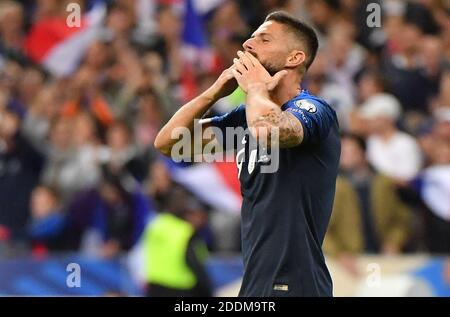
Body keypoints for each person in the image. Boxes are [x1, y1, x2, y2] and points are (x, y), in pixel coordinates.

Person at [154, 11, 340, 297]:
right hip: (254, 285)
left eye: (264, 39)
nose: (249, 45)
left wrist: (254, 88)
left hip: (296, 285)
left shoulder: (313, 110)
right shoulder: (244, 118)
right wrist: (214, 93)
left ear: (295, 58)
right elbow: (168, 143)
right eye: (251, 38)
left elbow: (270, 131)